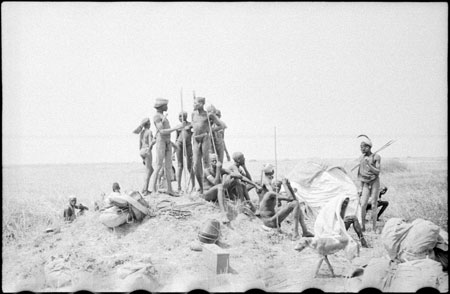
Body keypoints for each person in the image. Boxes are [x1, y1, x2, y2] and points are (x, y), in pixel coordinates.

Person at [256, 164, 314, 239]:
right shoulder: (270, 194)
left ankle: (305, 231)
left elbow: (294, 199)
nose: (277, 188)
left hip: (271, 220)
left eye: (279, 187)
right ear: (272, 185)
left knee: (296, 204)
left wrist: (289, 186)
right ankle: (296, 233)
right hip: (269, 222)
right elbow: (290, 198)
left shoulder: (276, 194)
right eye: (275, 186)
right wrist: (285, 185)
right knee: (295, 204)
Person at [148, 98, 183, 197]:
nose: (167, 107)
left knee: (168, 166)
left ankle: (170, 189)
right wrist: (176, 128)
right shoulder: (156, 117)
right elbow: (162, 131)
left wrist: (172, 143)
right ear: (162, 106)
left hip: (167, 142)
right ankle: (154, 189)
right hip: (161, 142)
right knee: (158, 166)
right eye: (166, 105)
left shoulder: (163, 116)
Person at [191, 97, 226, 193]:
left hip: (205, 138)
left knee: (206, 163)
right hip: (195, 139)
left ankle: (207, 187)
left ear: (202, 104)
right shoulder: (193, 114)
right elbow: (194, 125)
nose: (194, 105)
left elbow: (221, 126)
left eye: (196, 103)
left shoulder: (209, 115)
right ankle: (201, 187)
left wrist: (210, 130)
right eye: (194, 103)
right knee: (196, 165)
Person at [201, 153, 241, 223]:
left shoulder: (221, 170)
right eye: (213, 161)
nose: (215, 162)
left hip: (216, 195)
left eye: (216, 161)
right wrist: (218, 170)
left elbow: (239, 176)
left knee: (237, 182)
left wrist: (229, 176)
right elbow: (215, 183)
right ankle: (223, 214)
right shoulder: (206, 171)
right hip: (208, 194)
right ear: (209, 162)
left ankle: (241, 206)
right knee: (220, 186)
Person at [357, 135, 381, 232]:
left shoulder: (376, 156)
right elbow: (361, 174)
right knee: (363, 204)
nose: (361, 149)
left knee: (374, 204)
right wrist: (361, 188)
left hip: (374, 181)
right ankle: (363, 226)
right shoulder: (361, 157)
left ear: (368, 147)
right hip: (365, 183)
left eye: (363, 147)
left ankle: (374, 228)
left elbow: (377, 171)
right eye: (360, 147)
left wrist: (369, 164)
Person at [133, 117, 156, 196]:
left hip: (142, 151)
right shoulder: (149, 132)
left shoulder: (142, 133)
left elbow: (140, 144)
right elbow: (150, 143)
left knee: (151, 170)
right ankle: (145, 190)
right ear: (148, 124)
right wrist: (153, 142)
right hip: (147, 150)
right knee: (148, 170)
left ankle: (144, 187)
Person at [174, 111, 195, 192]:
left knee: (190, 166)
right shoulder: (178, 126)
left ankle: (193, 186)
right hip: (179, 144)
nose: (180, 118)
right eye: (179, 116)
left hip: (188, 145)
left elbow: (195, 128)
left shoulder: (190, 124)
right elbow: (176, 138)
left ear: (186, 116)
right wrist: (173, 152)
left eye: (182, 116)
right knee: (180, 165)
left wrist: (190, 128)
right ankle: (179, 187)